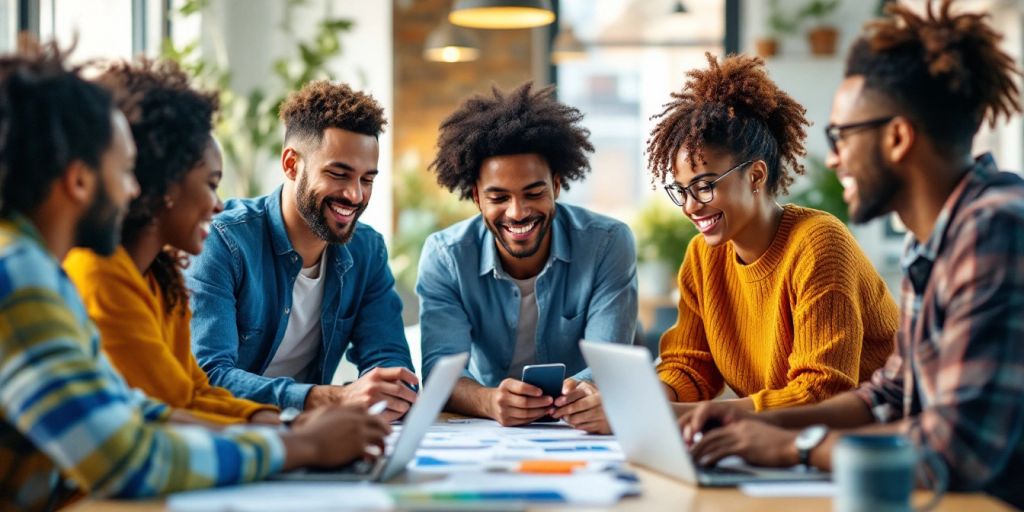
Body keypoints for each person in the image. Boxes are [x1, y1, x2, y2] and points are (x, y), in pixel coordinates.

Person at [0, 42, 388, 512]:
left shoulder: (38, 270)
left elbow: (142, 411)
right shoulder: (17, 275)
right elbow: (128, 458)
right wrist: (298, 445)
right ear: (80, 181)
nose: (135, 189)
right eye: (125, 172)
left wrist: (288, 428)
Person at [680, 1, 1024, 507]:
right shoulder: (931, 242)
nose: (834, 156)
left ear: (898, 137)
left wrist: (797, 445)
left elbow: (956, 448)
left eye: (842, 136)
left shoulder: (996, 228)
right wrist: (756, 419)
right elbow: (890, 395)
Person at [644, 52, 898, 415]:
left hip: (873, 441)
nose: (690, 206)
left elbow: (822, 391)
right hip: (782, 442)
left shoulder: (820, 244)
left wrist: (673, 415)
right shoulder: (702, 257)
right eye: (682, 191)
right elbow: (690, 366)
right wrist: (644, 400)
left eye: (704, 186)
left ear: (756, 176)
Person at [185, 80, 417, 420]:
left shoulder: (367, 250)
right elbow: (209, 377)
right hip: (235, 430)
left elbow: (390, 359)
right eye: (339, 174)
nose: (355, 195)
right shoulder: (223, 241)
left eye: (367, 180)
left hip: (312, 434)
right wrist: (330, 398)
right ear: (292, 165)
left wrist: (390, 391)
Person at [63, 59, 278, 425]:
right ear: (166, 183)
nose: (219, 203)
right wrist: (294, 440)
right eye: (210, 183)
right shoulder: (99, 274)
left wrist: (276, 422)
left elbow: (194, 392)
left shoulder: (162, 277)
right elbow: (167, 413)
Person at [417, 82, 637, 431]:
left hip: (579, 430)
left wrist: (572, 396)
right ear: (476, 197)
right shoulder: (447, 257)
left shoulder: (607, 244)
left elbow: (608, 365)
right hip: (488, 431)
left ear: (557, 186)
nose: (517, 212)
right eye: (499, 197)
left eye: (533, 193)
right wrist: (489, 401)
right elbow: (442, 374)